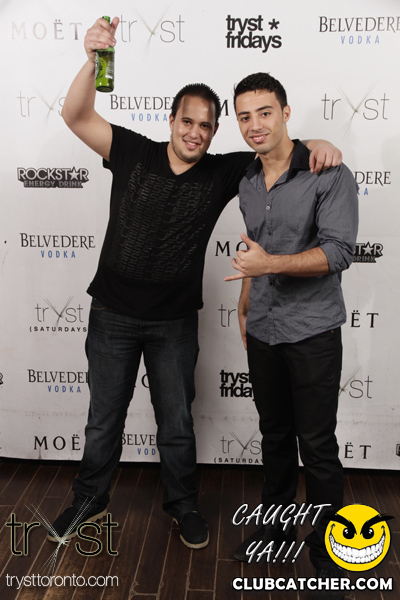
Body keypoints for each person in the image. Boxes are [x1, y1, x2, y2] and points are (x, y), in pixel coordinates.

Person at [48, 18, 342, 550]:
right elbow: (75, 115)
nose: (195, 133)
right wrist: (93, 62)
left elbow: (280, 150)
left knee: (177, 423)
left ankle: (183, 505)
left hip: (175, 323)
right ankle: (89, 499)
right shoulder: (132, 151)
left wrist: (318, 143)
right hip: (112, 314)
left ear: (214, 131)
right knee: (102, 420)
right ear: (171, 120)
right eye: (187, 122)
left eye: (206, 126)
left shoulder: (223, 171)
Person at [225, 72, 358, 598]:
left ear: (284, 112)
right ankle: (276, 534)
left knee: (317, 445)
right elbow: (253, 248)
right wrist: (244, 303)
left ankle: (329, 550)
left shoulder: (329, 172)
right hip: (263, 328)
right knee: (275, 438)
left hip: (312, 331)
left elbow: (338, 253)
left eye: (264, 112)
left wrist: (270, 265)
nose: (255, 125)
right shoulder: (246, 181)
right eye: (244, 116)